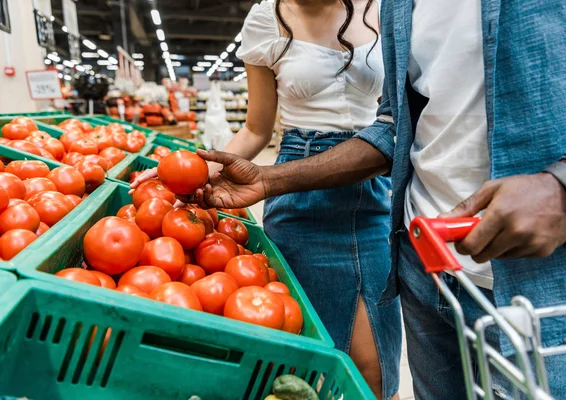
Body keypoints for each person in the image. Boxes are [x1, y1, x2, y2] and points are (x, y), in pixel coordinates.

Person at [187, 0, 566, 398]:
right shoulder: (383, 8)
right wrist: (217, 171)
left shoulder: (381, 7)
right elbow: (382, 125)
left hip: (448, 222)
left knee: (378, 366)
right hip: (380, 227)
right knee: (323, 353)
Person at [132, 1, 402, 398]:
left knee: (375, 365)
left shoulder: (385, 8)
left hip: (371, 180)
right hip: (296, 191)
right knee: (305, 357)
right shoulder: (266, 17)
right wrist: (194, 167)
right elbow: (257, 128)